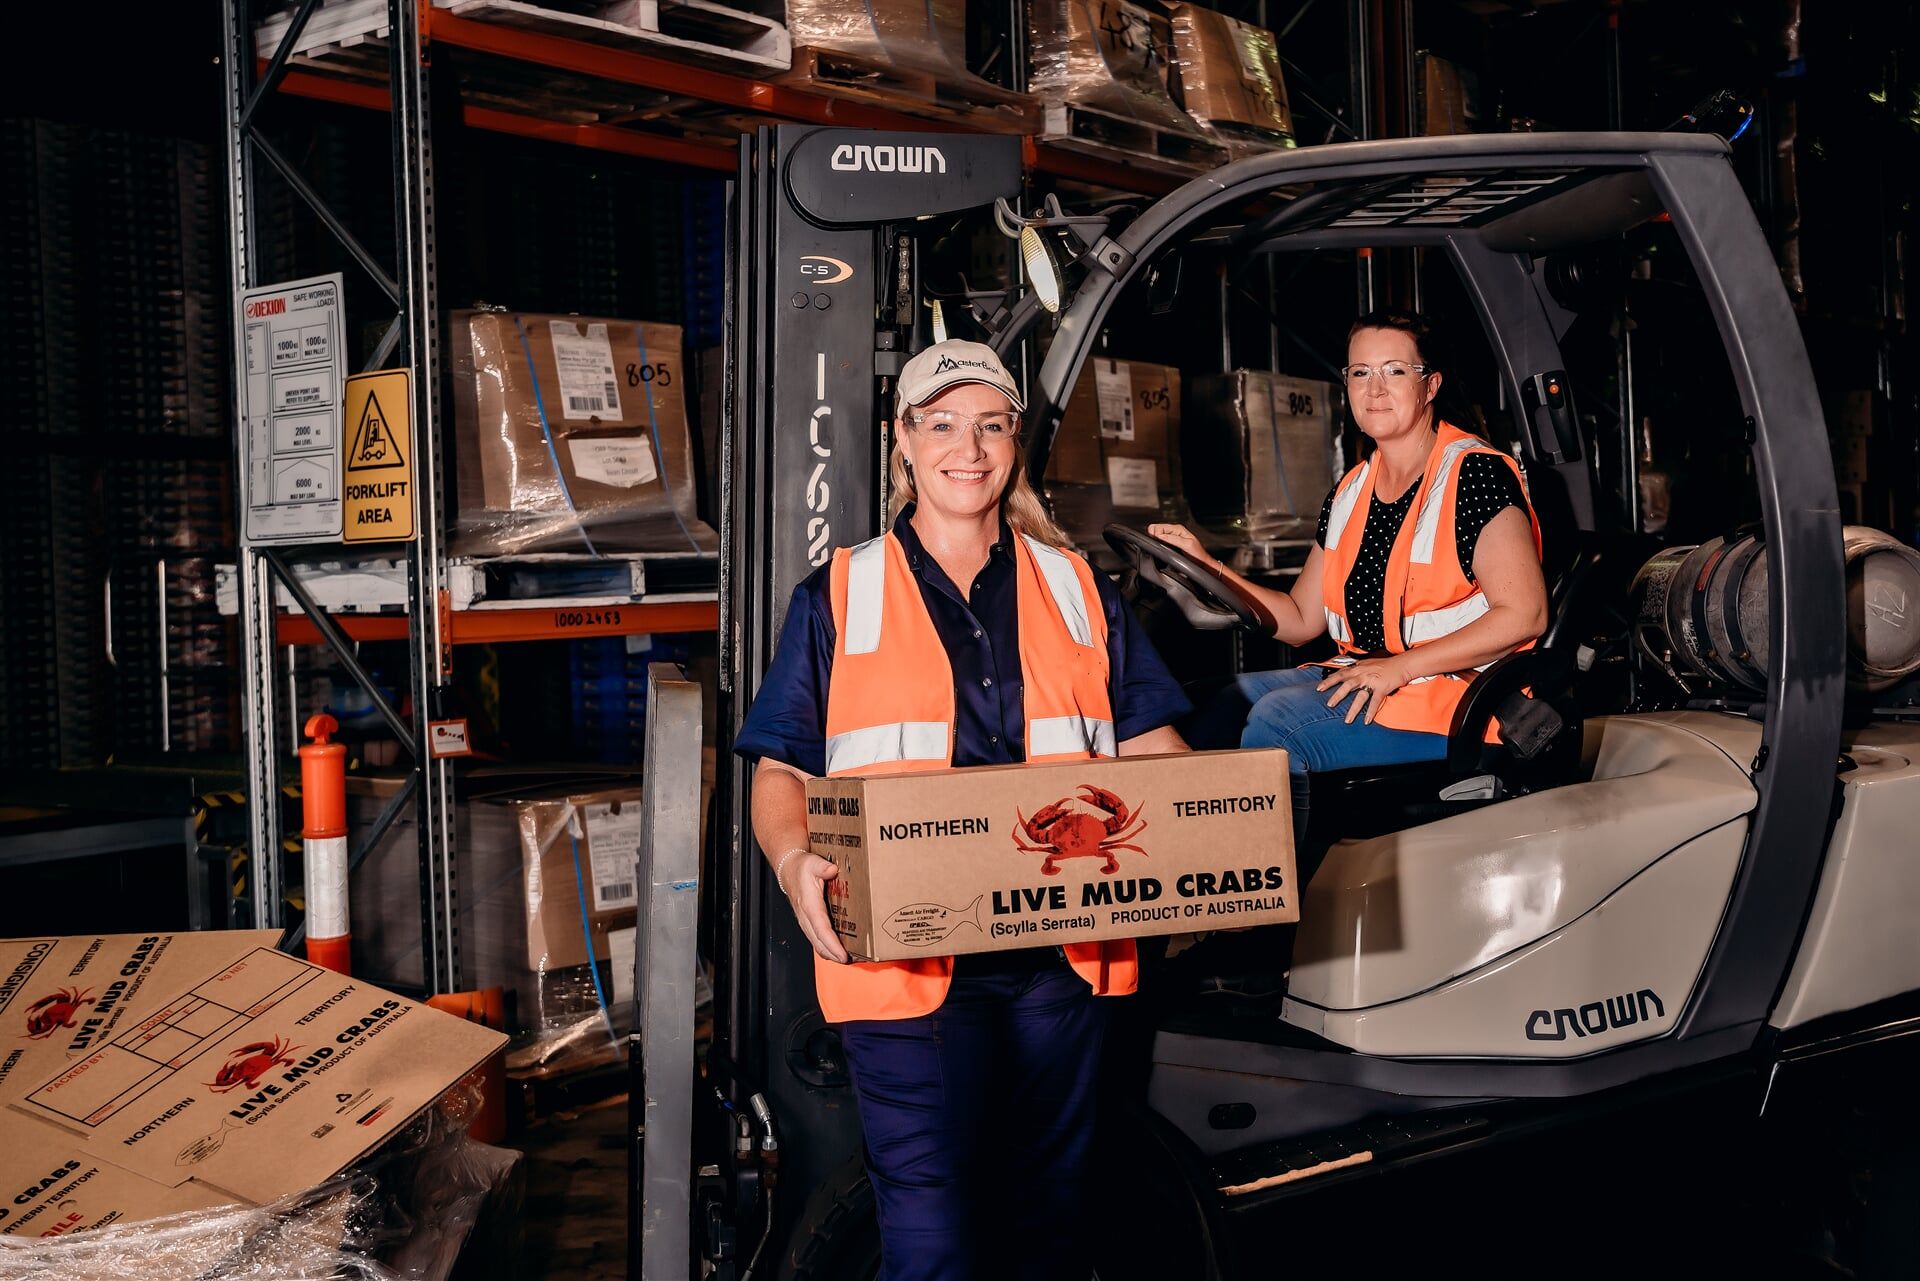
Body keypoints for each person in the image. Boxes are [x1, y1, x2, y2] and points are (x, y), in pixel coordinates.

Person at [734, 339, 1192, 1281]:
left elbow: (1155, 753)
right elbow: (779, 767)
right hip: (907, 962)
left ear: (1014, 442)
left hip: (1062, 959)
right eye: (941, 423)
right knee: (934, 1233)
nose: (967, 447)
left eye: (989, 424)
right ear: (904, 441)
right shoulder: (838, 595)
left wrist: (1206, 839)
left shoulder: (1076, 588)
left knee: (1049, 1223)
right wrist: (791, 862)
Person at [1158, 309, 1548, 836]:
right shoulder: (1351, 490)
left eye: (1394, 371)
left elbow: (1524, 614)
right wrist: (1210, 567)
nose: (1375, 389)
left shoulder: (1475, 474)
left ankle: (1271, 907)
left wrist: (1399, 670)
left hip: (1456, 695)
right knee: (1204, 702)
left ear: (1429, 385)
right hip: (1369, 677)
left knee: (1277, 723)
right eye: (1360, 373)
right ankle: (1198, 879)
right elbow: (1299, 618)